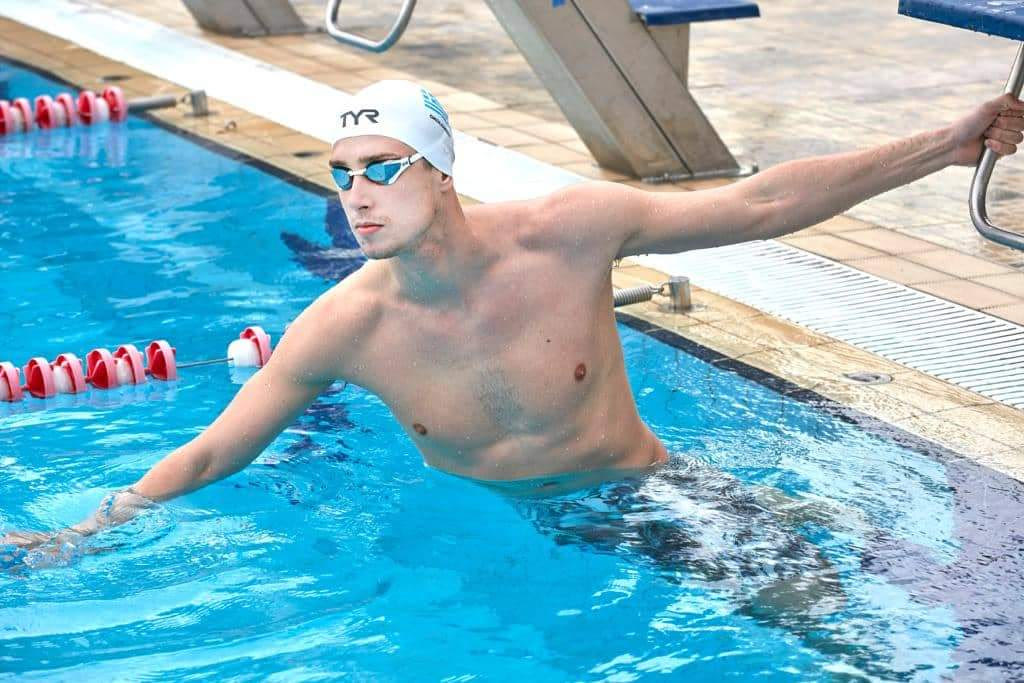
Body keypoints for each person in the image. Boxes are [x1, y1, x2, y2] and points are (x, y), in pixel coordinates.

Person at [3, 79, 1023, 553]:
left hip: (651, 491)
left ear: (441, 171)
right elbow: (211, 452)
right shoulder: (342, 327)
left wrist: (943, 145)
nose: (357, 195)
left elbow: (757, 204)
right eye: (342, 173)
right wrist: (81, 530)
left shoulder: (567, 233)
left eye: (382, 168)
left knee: (827, 603)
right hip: (506, 529)